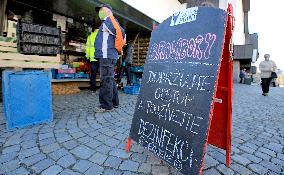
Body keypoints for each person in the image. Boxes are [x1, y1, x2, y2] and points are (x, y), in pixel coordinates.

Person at [94, 4, 126, 112]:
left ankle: (106, 105)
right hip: (108, 55)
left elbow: (121, 33)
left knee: (106, 80)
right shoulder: (109, 21)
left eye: (101, 10)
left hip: (107, 55)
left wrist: (118, 48)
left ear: (107, 11)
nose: (99, 13)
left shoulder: (109, 20)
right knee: (110, 79)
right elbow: (122, 33)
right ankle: (114, 102)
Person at [86, 27, 99, 92]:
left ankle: (93, 90)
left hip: (93, 58)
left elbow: (87, 48)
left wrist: (87, 57)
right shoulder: (103, 36)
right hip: (102, 58)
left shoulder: (90, 36)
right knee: (103, 75)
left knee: (93, 75)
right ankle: (103, 90)